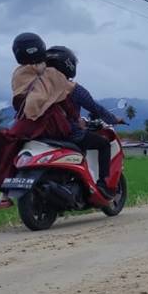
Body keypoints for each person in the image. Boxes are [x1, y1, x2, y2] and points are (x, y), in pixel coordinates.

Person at [0, 33, 78, 210]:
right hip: (51, 123)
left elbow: (19, 101)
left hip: (28, 122)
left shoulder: (19, 74)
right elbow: (71, 99)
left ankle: (4, 194)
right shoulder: (53, 73)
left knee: (9, 147)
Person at [44, 45, 125, 198]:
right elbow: (95, 108)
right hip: (70, 135)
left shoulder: (39, 87)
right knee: (103, 144)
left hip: (43, 135)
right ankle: (102, 183)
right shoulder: (73, 88)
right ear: (69, 65)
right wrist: (114, 119)